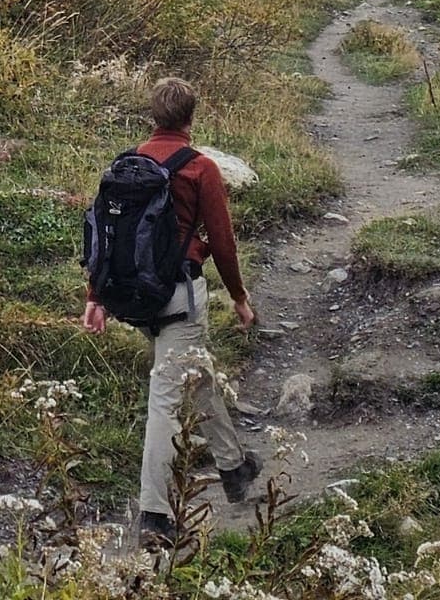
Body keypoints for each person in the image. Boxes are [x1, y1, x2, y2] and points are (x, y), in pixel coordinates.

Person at [81, 76, 260, 548]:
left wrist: (95, 298)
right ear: (191, 118)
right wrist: (239, 297)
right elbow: (223, 242)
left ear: (153, 115)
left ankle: (234, 467)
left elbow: (105, 236)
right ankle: (155, 515)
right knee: (165, 399)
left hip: (133, 297)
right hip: (179, 300)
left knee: (196, 375)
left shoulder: (126, 165)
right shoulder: (200, 168)